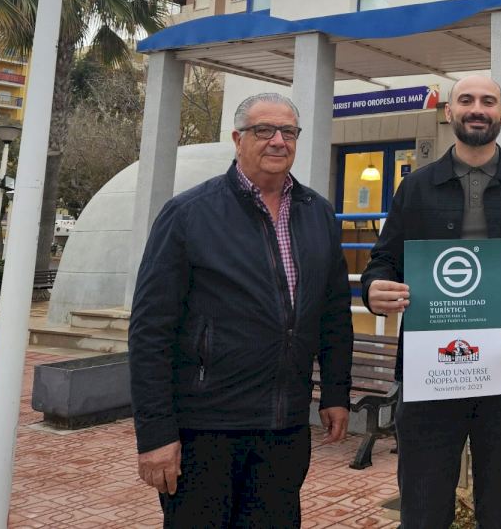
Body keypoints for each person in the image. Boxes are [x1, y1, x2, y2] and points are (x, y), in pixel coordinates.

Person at [129, 92, 353, 528]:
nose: (278, 141)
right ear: (238, 139)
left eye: (288, 132)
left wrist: (336, 392)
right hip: (205, 429)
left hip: (284, 430)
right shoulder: (188, 214)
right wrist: (155, 434)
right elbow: (150, 332)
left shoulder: (318, 214)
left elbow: (333, 314)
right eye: (263, 130)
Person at [362, 75, 501, 529]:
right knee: (422, 509)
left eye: (488, 101)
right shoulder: (417, 187)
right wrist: (375, 287)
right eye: (466, 100)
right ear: (449, 112)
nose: (477, 108)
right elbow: (384, 261)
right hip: (430, 371)